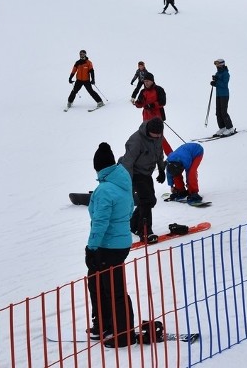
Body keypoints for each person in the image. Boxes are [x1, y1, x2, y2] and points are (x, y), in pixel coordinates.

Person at [85, 143, 136, 347]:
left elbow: (100, 222)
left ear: (99, 167)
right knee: (97, 284)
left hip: (107, 246)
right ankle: (104, 324)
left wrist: (91, 248)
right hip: (118, 243)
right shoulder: (122, 182)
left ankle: (123, 334)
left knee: (113, 289)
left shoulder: (105, 189)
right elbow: (130, 210)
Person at [119, 118, 165, 244]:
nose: (158, 137)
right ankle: (145, 232)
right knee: (147, 200)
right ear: (149, 131)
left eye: (159, 134)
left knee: (151, 201)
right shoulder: (136, 140)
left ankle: (133, 225)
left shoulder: (158, 135)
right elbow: (128, 162)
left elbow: (159, 152)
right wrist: (128, 182)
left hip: (146, 172)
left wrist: (161, 169)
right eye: (155, 134)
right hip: (134, 172)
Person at [211, 59, 235, 136]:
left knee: (224, 112)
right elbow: (218, 84)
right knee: (218, 112)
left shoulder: (226, 74)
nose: (217, 66)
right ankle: (222, 127)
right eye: (216, 65)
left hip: (224, 95)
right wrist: (214, 83)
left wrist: (217, 81)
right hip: (218, 95)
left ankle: (230, 128)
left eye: (218, 64)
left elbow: (224, 85)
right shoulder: (217, 73)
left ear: (222, 64)